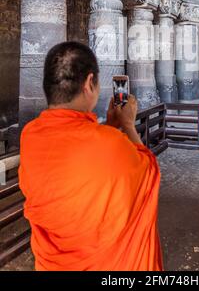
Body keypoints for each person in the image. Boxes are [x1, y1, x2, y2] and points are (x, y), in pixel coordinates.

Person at [19, 42, 163, 271]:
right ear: (89, 84)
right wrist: (127, 125)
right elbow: (149, 170)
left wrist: (112, 128)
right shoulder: (110, 143)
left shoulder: (30, 135)